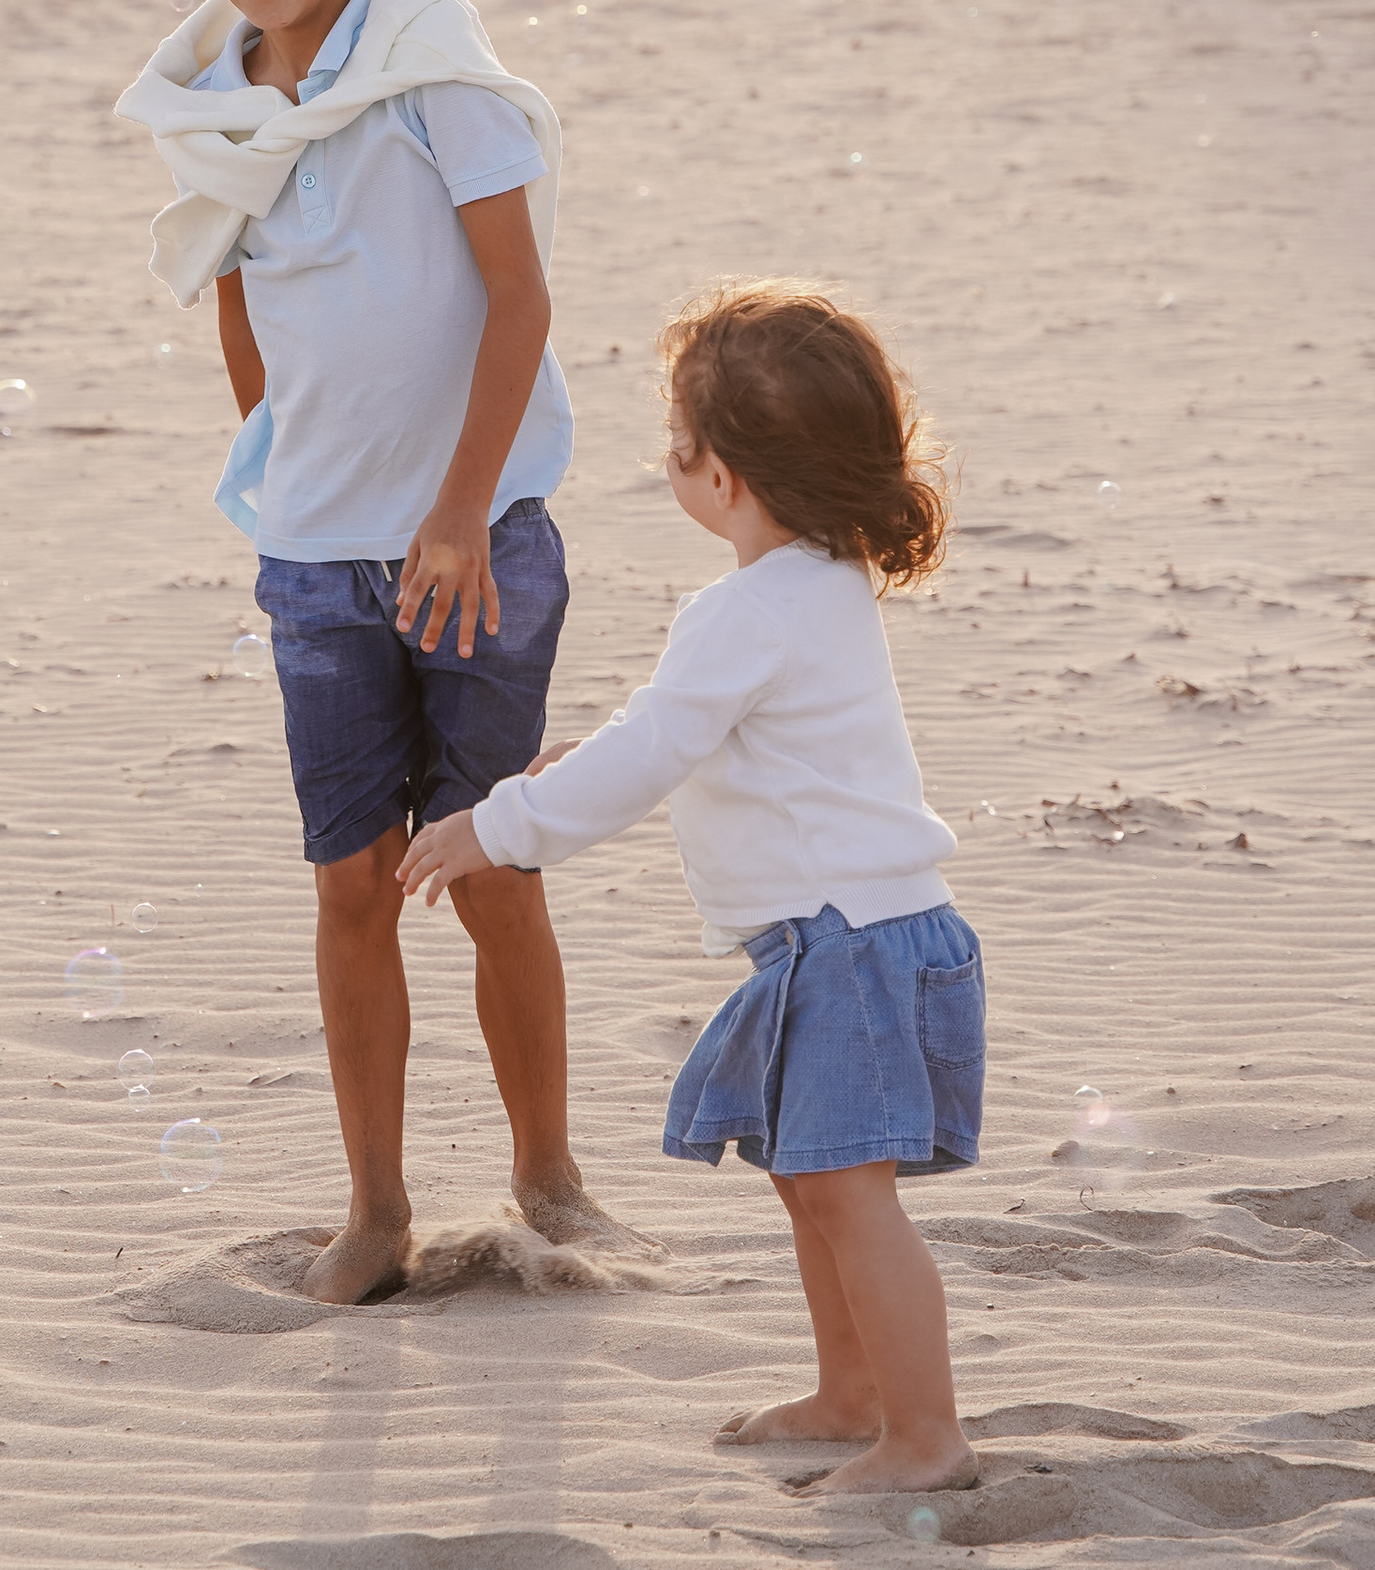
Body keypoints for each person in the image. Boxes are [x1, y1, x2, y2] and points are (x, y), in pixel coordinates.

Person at [117, 0, 602, 1305]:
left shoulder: (436, 78)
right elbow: (238, 300)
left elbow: (518, 298)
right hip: (316, 558)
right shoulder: (217, 108)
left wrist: (455, 511)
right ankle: (378, 1209)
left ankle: (548, 1175)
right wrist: (287, 474)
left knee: (495, 867)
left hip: (479, 542)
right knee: (350, 884)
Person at [400, 281, 980, 1497]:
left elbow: (658, 747)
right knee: (809, 1179)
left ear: (722, 477)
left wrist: (495, 828)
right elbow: (698, 732)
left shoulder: (746, 610)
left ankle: (924, 1437)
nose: (669, 461)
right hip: (852, 939)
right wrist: (584, 759)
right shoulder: (821, 580)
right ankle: (850, 1395)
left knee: (849, 1197)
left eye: (676, 442)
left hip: (848, 948)